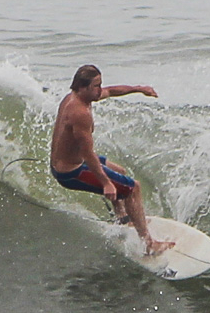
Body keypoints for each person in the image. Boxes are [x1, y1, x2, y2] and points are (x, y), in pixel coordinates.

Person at [50, 65, 172, 255]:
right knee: (133, 188)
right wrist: (106, 183)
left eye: (100, 85)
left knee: (120, 172)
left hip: (68, 161)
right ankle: (149, 245)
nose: (100, 90)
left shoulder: (76, 97)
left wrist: (138, 89)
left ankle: (123, 218)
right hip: (71, 172)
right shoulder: (79, 113)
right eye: (96, 86)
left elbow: (113, 91)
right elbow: (89, 153)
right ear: (83, 87)